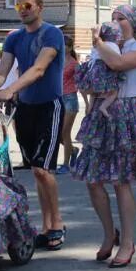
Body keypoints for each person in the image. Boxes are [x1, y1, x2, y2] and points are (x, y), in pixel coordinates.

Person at [73, 4, 136, 268]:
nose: (115, 22)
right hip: (102, 116)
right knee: (93, 180)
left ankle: (127, 242)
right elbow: (91, 77)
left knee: (120, 181)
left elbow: (117, 65)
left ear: (135, 22)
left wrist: (97, 43)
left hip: (127, 115)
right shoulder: (107, 46)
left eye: (121, 18)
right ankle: (108, 234)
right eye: (112, 18)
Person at [0, 0, 67, 251]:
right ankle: (47, 226)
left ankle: (57, 223)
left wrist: (12, 90)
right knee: (37, 172)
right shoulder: (14, 38)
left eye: (27, 5)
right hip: (26, 108)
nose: (23, 10)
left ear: (39, 6)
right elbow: (1, 74)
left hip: (50, 106)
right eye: (18, 6)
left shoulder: (52, 33)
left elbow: (38, 69)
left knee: (42, 168)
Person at [76, 22, 124, 119]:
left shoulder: (97, 44)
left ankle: (90, 106)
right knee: (114, 91)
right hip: (105, 70)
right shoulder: (113, 46)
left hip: (94, 70)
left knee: (94, 92)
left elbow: (92, 55)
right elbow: (118, 60)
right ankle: (103, 107)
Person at [56, 35, 80, 175]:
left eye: (65, 44)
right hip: (57, 98)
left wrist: (88, 102)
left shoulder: (74, 64)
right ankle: (73, 151)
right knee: (57, 134)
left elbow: (81, 83)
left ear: (70, 47)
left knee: (65, 132)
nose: (62, 46)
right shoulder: (56, 61)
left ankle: (66, 165)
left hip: (70, 99)